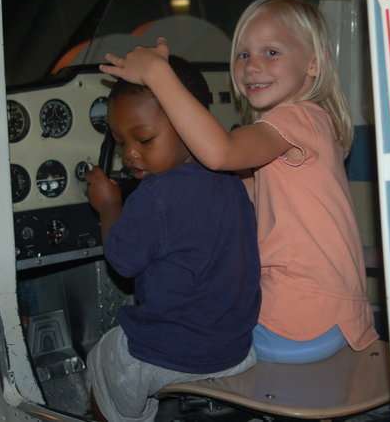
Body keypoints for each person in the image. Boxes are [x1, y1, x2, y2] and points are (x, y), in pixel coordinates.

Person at [99, 0, 378, 364]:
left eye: (271, 52)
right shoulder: (317, 124)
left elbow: (220, 153)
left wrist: (157, 75)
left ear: (314, 63)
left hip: (298, 319)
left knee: (181, 339)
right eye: (243, 55)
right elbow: (237, 192)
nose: (252, 66)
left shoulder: (292, 119)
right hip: (337, 315)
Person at [85, 55, 261, 422]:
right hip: (236, 351)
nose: (130, 154)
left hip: (170, 355)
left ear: (188, 123)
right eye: (120, 142)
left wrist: (109, 206)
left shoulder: (155, 195)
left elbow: (122, 260)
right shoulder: (233, 181)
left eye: (144, 139)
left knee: (104, 355)